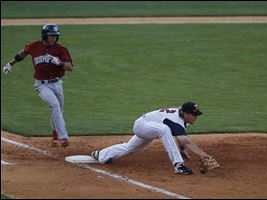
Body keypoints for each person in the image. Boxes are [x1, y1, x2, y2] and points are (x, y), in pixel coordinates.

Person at [91, 101, 220, 175]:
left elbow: (180, 137)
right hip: (142, 125)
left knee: (130, 148)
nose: (195, 117)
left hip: (148, 126)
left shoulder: (181, 117)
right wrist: (203, 154)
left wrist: (182, 148)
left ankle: (100, 154)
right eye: (193, 115)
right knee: (165, 130)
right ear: (186, 113)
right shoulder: (176, 120)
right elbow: (182, 138)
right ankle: (179, 165)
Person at [2, 24, 73, 148]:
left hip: (57, 83)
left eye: (55, 36)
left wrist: (59, 63)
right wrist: (10, 64)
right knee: (54, 105)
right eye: (51, 36)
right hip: (41, 85)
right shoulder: (34, 46)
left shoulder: (61, 49)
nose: (54, 38)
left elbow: (69, 67)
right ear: (45, 36)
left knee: (58, 110)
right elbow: (23, 53)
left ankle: (55, 134)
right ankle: (64, 137)